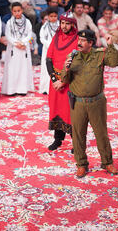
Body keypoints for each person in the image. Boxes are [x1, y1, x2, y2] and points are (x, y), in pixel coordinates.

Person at [61, 29, 118, 178]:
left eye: (82, 41)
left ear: (90, 43)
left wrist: (110, 45)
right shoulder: (72, 57)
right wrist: (66, 68)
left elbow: (115, 62)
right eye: (78, 40)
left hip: (97, 102)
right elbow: (64, 79)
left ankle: (107, 162)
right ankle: (81, 164)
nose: (79, 43)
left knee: (101, 134)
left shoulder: (100, 55)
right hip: (78, 103)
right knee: (78, 135)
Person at [45, 10, 77, 150]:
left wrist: (63, 82)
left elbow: (76, 64)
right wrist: (53, 79)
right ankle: (58, 140)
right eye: (62, 23)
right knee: (56, 109)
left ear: (72, 25)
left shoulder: (77, 39)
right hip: (55, 82)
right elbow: (48, 59)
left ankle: (77, 143)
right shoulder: (56, 37)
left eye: (67, 23)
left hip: (70, 82)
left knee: (71, 112)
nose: (64, 26)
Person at [1, 2, 34, 96]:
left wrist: (23, 42)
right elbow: (8, 35)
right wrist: (16, 43)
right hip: (14, 48)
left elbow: (29, 34)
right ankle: (11, 89)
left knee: (23, 67)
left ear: (22, 10)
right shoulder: (9, 22)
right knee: (13, 68)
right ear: (12, 12)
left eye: (19, 11)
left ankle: (22, 89)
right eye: (15, 11)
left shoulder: (27, 22)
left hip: (23, 47)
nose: (17, 13)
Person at [39, 7, 59, 95]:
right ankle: (45, 88)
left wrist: (57, 46)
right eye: (51, 16)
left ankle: (57, 87)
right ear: (48, 16)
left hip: (58, 50)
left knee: (57, 68)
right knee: (46, 68)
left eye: (55, 16)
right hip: (47, 49)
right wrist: (50, 46)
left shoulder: (60, 25)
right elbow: (42, 38)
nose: (53, 18)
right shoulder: (44, 26)